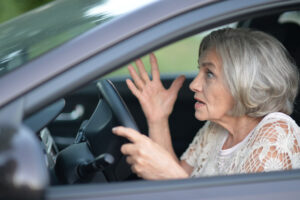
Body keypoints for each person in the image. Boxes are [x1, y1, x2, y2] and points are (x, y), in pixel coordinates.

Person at [112, 28, 300, 180]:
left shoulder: (276, 131)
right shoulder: (215, 130)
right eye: (199, 70)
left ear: (244, 82)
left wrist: (173, 176)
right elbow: (177, 179)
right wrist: (158, 119)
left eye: (209, 73)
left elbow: (175, 181)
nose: (194, 85)